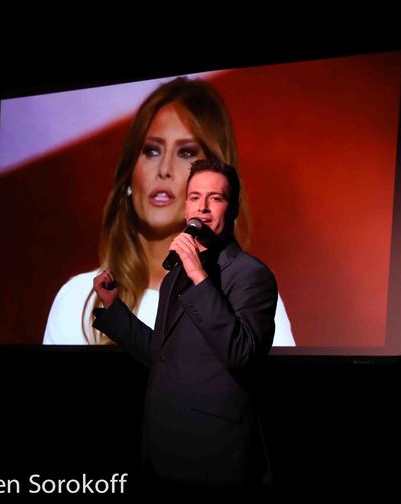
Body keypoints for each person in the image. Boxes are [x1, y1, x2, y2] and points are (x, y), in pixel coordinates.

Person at [43, 77, 295, 346]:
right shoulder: (79, 299)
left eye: (186, 153)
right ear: (130, 174)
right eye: (151, 150)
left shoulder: (246, 294)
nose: (164, 169)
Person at [93, 159, 276, 490]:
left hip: (213, 456)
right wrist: (113, 308)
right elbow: (163, 355)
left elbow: (243, 353)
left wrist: (198, 274)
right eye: (194, 197)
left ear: (232, 209)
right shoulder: (175, 276)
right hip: (161, 448)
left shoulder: (251, 275)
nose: (202, 208)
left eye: (215, 198)